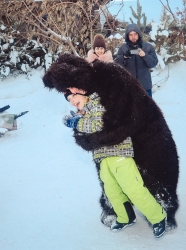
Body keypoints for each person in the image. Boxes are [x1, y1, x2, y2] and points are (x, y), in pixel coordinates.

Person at [63, 89, 166, 238]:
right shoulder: (86, 111)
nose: (72, 101)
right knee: (112, 191)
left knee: (134, 189)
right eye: (69, 100)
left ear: (83, 92)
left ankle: (158, 217)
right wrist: (78, 127)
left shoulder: (99, 101)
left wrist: (77, 123)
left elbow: (99, 125)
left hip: (120, 153)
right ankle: (126, 217)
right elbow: (90, 135)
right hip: (103, 157)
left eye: (73, 96)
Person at [115, 23, 158, 97]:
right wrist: (124, 57)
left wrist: (144, 55)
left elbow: (153, 63)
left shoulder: (148, 47)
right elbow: (116, 65)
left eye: (135, 34)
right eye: (130, 35)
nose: (133, 37)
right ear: (127, 36)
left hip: (145, 87)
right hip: (128, 87)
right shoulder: (123, 48)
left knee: (146, 108)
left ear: (139, 34)